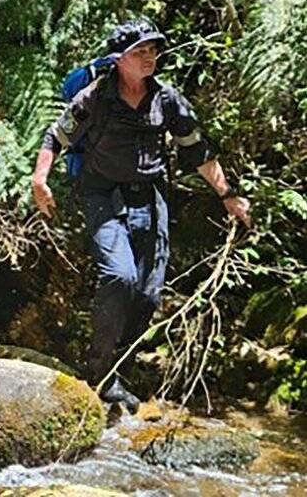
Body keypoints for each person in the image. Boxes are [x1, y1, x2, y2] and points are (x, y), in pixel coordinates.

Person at [32, 20, 252, 412]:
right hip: (103, 194)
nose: (150, 57)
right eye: (141, 52)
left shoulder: (167, 100)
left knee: (148, 294)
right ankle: (97, 373)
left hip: (150, 198)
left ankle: (116, 371)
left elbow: (197, 150)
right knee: (119, 275)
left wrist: (228, 195)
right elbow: (56, 137)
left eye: (153, 50)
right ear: (119, 60)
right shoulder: (94, 97)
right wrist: (40, 180)